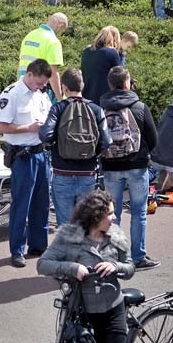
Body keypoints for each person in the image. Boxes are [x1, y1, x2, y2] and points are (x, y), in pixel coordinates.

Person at [36, 190, 135, 343]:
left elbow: (130, 267)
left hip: (112, 312)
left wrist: (116, 267)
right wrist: (73, 268)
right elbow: (43, 264)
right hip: (80, 313)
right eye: (109, 214)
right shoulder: (69, 238)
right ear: (94, 216)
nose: (115, 217)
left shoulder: (116, 236)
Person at [100, 67, 160, 271]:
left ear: (110, 84)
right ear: (127, 83)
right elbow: (153, 139)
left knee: (111, 213)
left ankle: (112, 257)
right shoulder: (139, 107)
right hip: (137, 165)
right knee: (138, 212)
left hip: (110, 166)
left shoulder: (101, 107)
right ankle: (138, 257)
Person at [0, 59, 53, 267]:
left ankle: (38, 244)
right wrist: (28, 128)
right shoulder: (11, 94)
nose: (41, 87)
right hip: (22, 156)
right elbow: (0, 127)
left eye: (43, 84)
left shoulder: (41, 95)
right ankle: (17, 250)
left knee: (42, 203)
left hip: (40, 154)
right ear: (29, 75)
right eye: (39, 83)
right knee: (22, 205)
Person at [39, 69, 111, 227]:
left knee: (65, 226)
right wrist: (91, 154)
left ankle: (67, 252)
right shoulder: (96, 109)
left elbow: (45, 135)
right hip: (88, 174)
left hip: (62, 174)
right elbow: (106, 141)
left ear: (64, 88)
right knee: (86, 225)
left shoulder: (58, 108)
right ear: (82, 86)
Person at [18, 13, 68, 102]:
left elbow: (20, 64)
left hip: (22, 87)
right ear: (60, 25)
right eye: (62, 30)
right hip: (40, 89)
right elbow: (53, 73)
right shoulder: (53, 41)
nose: (60, 34)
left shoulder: (29, 35)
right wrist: (60, 98)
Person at [80, 26, 123, 105]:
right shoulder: (112, 53)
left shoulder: (86, 51)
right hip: (105, 98)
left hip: (86, 96)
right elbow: (119, 77)